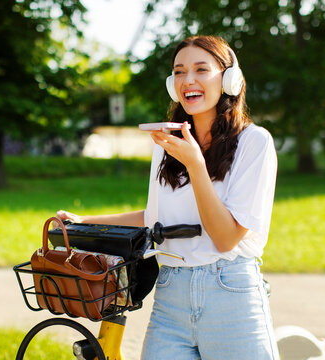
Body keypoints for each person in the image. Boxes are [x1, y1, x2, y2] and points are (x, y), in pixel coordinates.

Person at [56, 35, 279, 360]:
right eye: (179, 71)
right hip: (171, 290)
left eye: (202, 70)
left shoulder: (253, 143)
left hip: (229, 291)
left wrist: (196, 165)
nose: (188, 80)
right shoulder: (167, 147)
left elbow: (226, 237)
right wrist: (84, 221)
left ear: (229, 79)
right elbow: (155, 218)